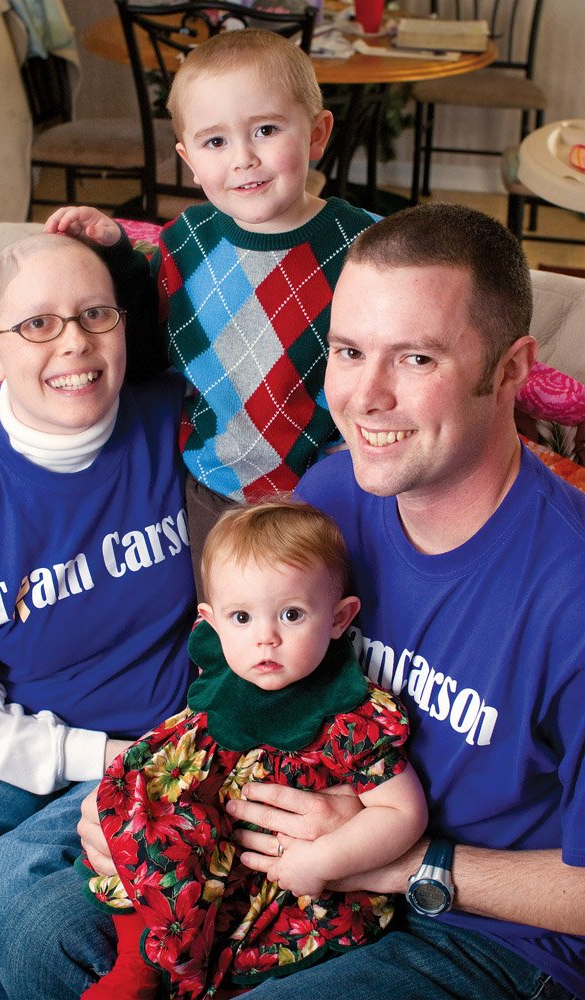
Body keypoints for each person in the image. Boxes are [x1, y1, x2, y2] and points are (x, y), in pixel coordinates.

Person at [70, 203, 584, 1000]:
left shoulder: (570, 594)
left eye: (415, 359)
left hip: (487, 939)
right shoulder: (334, 493)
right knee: (21, 917)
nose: (364, 397)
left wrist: (405, 862)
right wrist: (142, 797)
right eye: (348, 351)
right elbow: (238, 676)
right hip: (275, 850)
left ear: (512, 369)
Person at [0, 234, 196, 1000]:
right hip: (5, 734)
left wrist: (118, 237)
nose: (73, 341)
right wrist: (95, 755)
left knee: (20, 908)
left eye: (94, 314)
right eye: (36, 324)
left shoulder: (181, 424)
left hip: (158, 738)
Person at [45, 28, 379, 593]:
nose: (244, 159)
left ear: (318, 133)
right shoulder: (186, 242)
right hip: (211, 488)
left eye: (266, 130)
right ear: (189, 160)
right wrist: (118, 261)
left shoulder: (366, 246)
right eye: (215, 142)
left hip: (332, 489)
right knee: (227, 631)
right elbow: (147, 358)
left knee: (331, 622)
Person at [78, 498, 427, 1000]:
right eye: (241, 617)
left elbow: (402, 811)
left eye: (291, 614)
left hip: (277, 867)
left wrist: (325, 860)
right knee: (145, 834)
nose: (265, 639)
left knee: (255, 935)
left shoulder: (349, 713)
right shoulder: (221, 672)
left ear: (338, 617)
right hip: (204, 833)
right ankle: (138, 963)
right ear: (212, 623)